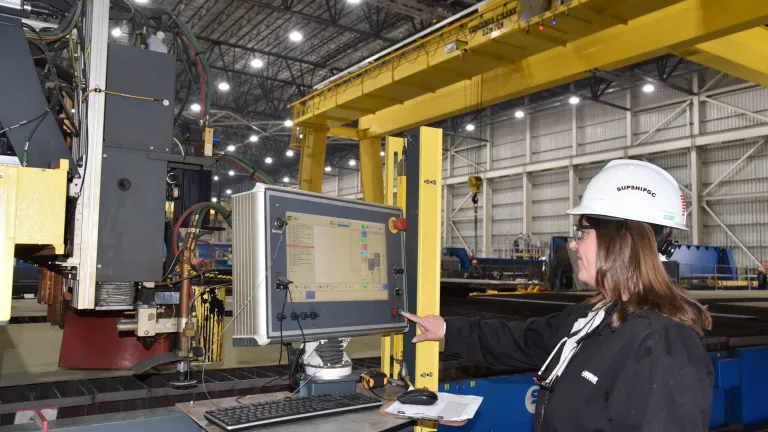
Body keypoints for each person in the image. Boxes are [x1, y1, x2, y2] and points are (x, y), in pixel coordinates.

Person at [403, 159, 714, 432]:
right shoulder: (592, 319)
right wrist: (446, 330)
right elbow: (523, 341)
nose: (575, 245)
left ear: (621, 241)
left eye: (584, 233)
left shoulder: (661, 345)